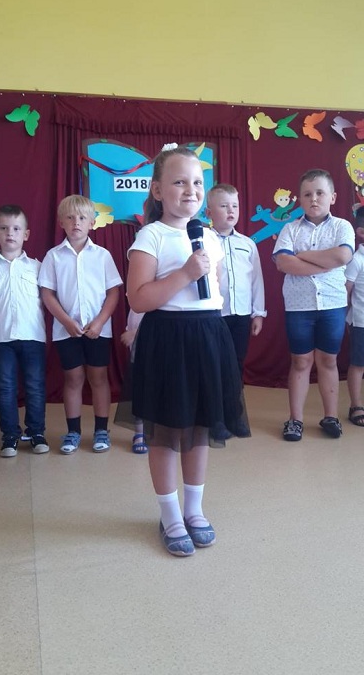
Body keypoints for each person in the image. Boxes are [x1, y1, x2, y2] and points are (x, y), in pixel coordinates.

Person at [127, 145, 243, 557]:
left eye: (197, 182)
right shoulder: (151, 236)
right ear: (158, 190)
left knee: (199, 428)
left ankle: (194, 510)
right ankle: (170, 514)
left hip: (207, 336)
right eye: (179, 182)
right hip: (167, 339)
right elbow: (139, 299)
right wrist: (185, 273)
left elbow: (216, 291)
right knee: (165, 432)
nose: (191, 190)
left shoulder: (208, 235)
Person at [273, 169, 355, 442]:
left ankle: (330, 416)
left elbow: (342, 256)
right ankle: (295, 419)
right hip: (299, 307)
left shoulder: (342, 227)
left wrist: (303, 255)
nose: (314, 199)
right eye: (307, 194)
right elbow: (283, 262)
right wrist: (323, 262)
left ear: (333, 197)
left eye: (320, 193)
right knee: (300, 361)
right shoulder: (290, 229)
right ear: (300, 199)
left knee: (328, 360)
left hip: (332, 304)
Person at [38, 194, 122, 455]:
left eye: (82, 218)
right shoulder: (53, 256)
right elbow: (47, 294)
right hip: (66, 331)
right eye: (71, 217)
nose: (76, 222)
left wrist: (99, 322)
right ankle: (73, 431)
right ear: (61, 222)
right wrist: (66, 321)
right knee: (73, 379)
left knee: (99, 378)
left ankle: (101, 431)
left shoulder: (103, 256)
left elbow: (113, 292)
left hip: (98, 330)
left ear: (92, 223)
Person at [0, 205, 48, 457]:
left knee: (35, 386)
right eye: (4, 228)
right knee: (5, 388)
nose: (10, 233)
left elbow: (45, 300)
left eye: (16, 229)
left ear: (26, 234)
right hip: (1, 338)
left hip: (33, 336)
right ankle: (9, 435)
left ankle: (36, 432)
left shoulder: (37, 267)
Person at [206, 183, 267, 380]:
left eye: (235, 206)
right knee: (213, 361)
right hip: (214, 314)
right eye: (224, 206)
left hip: (241, 313)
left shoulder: (247, 244)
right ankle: (214, 399)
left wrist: (258, 313)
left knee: (237, 359)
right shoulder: (204, 241)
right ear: (209, 212)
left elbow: (256, 280)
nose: (230, 210)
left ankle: (235, 398)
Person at [345, 206, 364, 426]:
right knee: (359, 364)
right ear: (361, 232)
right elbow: (346, 291)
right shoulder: (356, 259)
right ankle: (356, 404)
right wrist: (345, 319)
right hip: (361, 322)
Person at [119, 308, 148, 454]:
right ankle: (139, 434)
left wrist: (137, 332)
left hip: (159, 343)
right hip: (139, 349)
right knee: (139, 391)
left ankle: (159, 433)